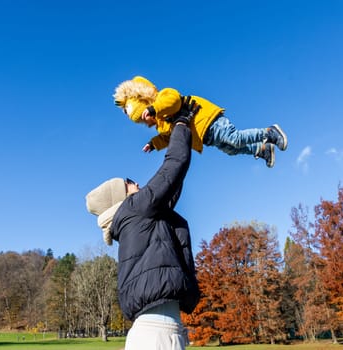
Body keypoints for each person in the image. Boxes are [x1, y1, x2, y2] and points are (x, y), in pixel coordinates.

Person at [85, 98, 201, 350]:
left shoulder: (135, 218)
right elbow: (174, 166)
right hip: (157, 335)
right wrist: (182, 121)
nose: (135, 182)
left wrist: (174, 132)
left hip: (155, 332)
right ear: (119, 196)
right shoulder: (135, 209)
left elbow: (171, 186)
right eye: (128, 181)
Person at [113, 75, 288, 168]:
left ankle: (269, 133)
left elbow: (173, 101)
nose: (149, 118)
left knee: (235, 138)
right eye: (145, 119)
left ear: (147, 102)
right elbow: (168, 137)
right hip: (206, 136)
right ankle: (262, 149)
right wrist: (153, 144)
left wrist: (154, 109)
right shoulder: (162, 124)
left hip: (208, 120)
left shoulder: (163, 97)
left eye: (146, 113)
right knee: (231, 150)